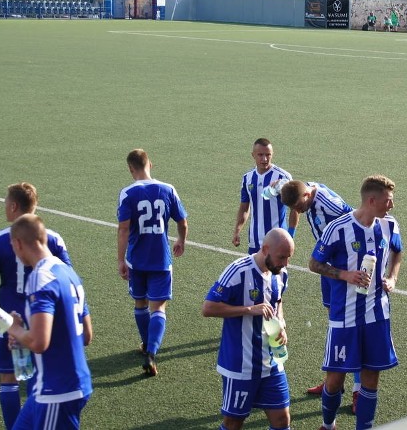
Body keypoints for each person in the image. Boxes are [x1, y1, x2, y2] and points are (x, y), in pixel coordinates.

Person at [309, 175, 403, 430]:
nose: (391, 206)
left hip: (377, 314)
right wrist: (344, 274)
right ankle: (328, 425)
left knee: (371, 377)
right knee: (335, 379)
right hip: (345, 316)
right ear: (372, 200)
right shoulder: (338, 228)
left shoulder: (390, 225)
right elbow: (314, 263)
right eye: (388, 201)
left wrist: (392, 278)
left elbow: (397, 251)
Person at [0, 182, 73, 429]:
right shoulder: (53, 238)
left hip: (9, 317)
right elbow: (67, 276)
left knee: (8, 378)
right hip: (46, 315)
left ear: (13, 207)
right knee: (41, 374)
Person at [202, 228, 295, 430]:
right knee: (233, 423)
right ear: (265, 249)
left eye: (288, 258)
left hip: (271, 362)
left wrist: (281, 322)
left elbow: (278, 301)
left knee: (282, 420)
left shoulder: (281, 274)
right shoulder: (237, 271)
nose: (285, 263)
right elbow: (208, 308)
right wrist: (250, 309)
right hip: (240, 365)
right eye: (281, 257)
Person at [6, 214, 92, 430]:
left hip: (58, 390)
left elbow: (38, 342)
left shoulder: (39, 277)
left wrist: (15, 330)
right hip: (53, 387)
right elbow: (87, 334)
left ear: (17, 244)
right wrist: (24, 331)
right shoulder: (69, 272)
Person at [279, 180, 360, 406]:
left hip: (342, 267)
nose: (297, 211)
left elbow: (357, 220)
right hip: (329, 267)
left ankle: (359, 390)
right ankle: (335, 381)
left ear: (306, 195)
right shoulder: (305, 189)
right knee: (335, 321)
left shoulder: (329, 204)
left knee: (352, 326)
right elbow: (288, 185)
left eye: (298, 206)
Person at [117, 148, 188, 376]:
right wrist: (181, 241)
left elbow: (124, 229)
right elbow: (183, 222)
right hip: (160, 259)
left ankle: (146, 344)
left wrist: (120, 259)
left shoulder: (127, 193)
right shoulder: (168, 189)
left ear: (130, 169)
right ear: (150, 164)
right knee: (158, 307)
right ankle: (152, 352)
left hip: (136, 259)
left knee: (140, 304)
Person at [232, 138, 297, 255]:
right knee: (255, 273)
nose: (264, 159)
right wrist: (237, 231)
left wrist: (290, 235)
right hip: (254, 241)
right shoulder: (248, 178)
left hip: (278, 240)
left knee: (276, 273)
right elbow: (244, 207)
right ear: (253, 155)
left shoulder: (283, 177)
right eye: (260, 155)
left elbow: (295, 208)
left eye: (268, 155)